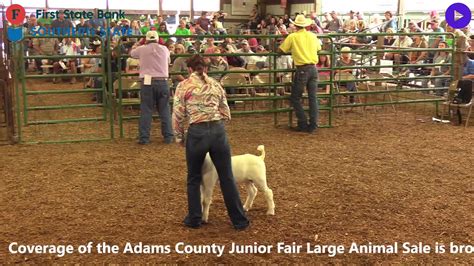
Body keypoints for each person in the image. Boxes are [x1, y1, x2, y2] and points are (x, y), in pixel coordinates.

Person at [172, 54, 250, 230]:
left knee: (193, 177)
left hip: (197, 132)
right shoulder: (216, 84)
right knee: (226, 176)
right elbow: (226, 111)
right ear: (206, 68)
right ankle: (239, 220)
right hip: (217, 131)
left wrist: (179, 137)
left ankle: (194, 218)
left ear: (189, 69)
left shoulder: (183, 86)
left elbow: (177, 114)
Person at [278, 14, 321, 133]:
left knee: (295, 97)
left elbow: (280, 50)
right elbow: (319, 49)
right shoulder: (313, 36)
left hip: (302, 68)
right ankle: (313, 125)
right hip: (313, 68)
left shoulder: (293, 37)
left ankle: (302, 123)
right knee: (313, 97)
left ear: (295, 25)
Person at [130, 31, 174, 145]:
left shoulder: (142, 49)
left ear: (146, 39)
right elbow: (168, 60)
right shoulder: (164, 49)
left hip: (147, 81)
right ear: (158, 39)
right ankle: (168, 136)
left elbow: (132, 53)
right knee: (164, 109)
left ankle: (144, 138)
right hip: (162, 81)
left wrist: (138, 43)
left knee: (146, 110)